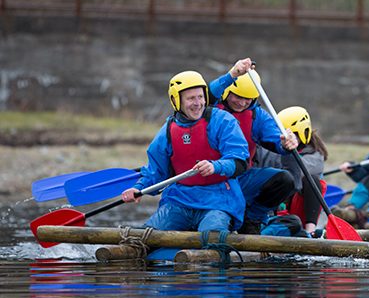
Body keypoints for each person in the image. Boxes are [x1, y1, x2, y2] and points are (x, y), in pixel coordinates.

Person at [121, 71, 250, 233]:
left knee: (212, 234)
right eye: (191, 98)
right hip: (180, 201)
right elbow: (156, 172)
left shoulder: (223, 121)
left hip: (219, 201)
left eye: (200, 97)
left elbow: (239, 162)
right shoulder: (167, 132)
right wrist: (139, 188)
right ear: (177, 101)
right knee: (146, 236)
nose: (198, 103)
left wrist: (215, 166)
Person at [207, 59, 300, 234]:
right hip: (210, 180)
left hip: (241, 179)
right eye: (238, 97)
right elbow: (208, 93)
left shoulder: (257, 116)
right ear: (227, 92)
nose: (242, 103)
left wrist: (285, 143)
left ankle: (252, 219)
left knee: (284, 180)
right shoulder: (208, 108)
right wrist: (233, 74)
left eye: (248, 98)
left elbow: (276, 138)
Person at [269, 105, 330, 234]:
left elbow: (294, 172)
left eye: (292, 134)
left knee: (312, 180)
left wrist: (286, 154)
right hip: (277, 205)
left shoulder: (316, 156)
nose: (287, 138)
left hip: (299, 210)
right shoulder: (276, 147)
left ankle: (310, 230)